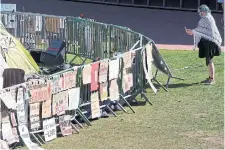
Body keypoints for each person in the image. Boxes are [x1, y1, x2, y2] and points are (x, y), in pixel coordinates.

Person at [185, 4, 222, 85]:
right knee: (209, 60)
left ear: (204, 11)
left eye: (201, 12)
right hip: (212, 41)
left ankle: (212, 79)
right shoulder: (210, 17)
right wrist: (194, 31)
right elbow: (201, 30)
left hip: (211, 42)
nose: (200, 13)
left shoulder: (206, 18)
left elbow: (200, 30)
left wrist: (192, 31)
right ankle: (210, 78)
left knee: (209, 61)